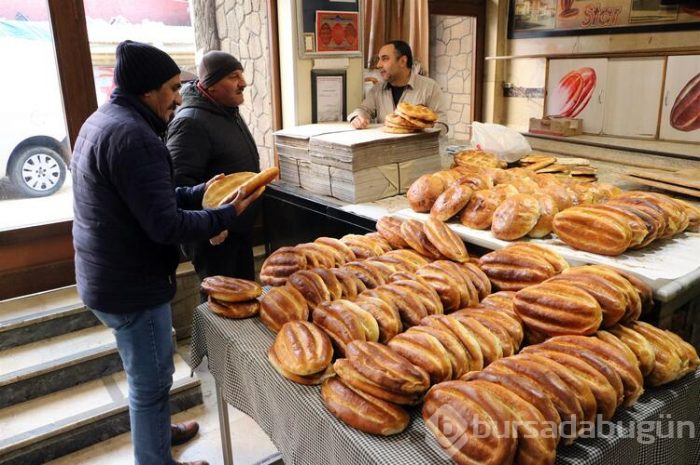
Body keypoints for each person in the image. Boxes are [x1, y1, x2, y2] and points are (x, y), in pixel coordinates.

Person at [71, 40, 262, 465]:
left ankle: (158, 431)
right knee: (151, 382)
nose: (179, 96)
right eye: (173, 87)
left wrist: (203, 191)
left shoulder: (105, 120)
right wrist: (223, 215)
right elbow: (164, 224)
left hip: (105, 275)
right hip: (130, 284)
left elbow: (154, 197)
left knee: (148, 379)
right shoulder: (134, 136)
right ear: (147, 90)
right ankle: (155, 457)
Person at [166, 51, 260, 283]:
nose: (243, 83)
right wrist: (212, 226)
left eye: (242, 75)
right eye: (233, 77)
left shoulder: (226, 110)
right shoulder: (190, 123)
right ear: (211, 85)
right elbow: (177, 186)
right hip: (215, 238)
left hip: (236, 229)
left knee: (243, 300)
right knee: (220, 305)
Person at [348, 40, 447, 130]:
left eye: (385, 59)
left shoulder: (430, 87)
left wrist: (418, 131)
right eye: (379, 59)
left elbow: (441, 124)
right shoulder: (377, 90)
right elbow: (363, 110)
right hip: (384, 148)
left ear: (403, 61)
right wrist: (357, 118)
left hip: (418, 147)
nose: (378, 65)